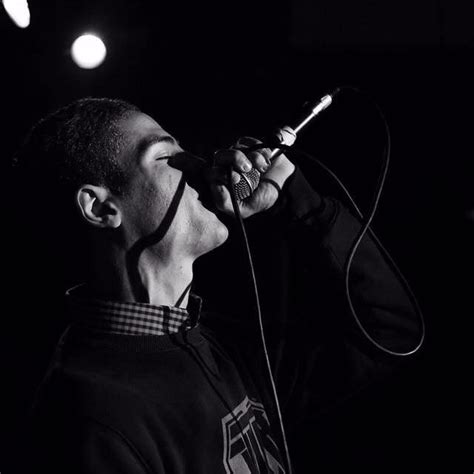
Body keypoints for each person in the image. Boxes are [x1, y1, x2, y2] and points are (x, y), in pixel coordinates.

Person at [14, 97, 422, 473]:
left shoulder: (227, 343)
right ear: (101, 207)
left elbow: (390, 330)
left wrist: (300, 204)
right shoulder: (87, 418)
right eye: (166, 156)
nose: (199, 164)